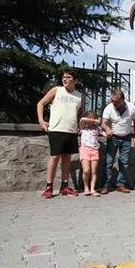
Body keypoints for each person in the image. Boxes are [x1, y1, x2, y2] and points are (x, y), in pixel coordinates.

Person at [37, 71, 83, 199]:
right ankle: (49, 187)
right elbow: (40, 103)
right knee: (54, 157)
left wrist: (79, 125)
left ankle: (64, 186)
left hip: (71, 131)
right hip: (56, 129)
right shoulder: (56, 90)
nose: (65, 79)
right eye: (63, 77)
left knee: (67, 158)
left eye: (68, 77)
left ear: (75, 80)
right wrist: (41, 120)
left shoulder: (79, 96)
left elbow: (79, 113)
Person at [100, 89, 135, 194]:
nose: (114, 103)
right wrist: (107, 129)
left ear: (123, 100)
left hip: (126, 137)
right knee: (109, 162)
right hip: (113, 138)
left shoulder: (132, 108)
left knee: (124, 162)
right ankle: (106, 185)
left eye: (116, 101)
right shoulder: (109, 108)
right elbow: (103, 123)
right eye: (112, 100)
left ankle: (120, 185)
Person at [79, 110, 102, 197]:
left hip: (95, 150)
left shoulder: (97, 128)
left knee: (94, 171)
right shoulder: (83, 127)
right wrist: (91, 120)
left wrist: (108, 132)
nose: (91, 121)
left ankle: (92, 189)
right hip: (85, 149)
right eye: (89, 118)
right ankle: (86, 188)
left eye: (93, 118)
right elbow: (81, 119)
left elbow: (103, 131)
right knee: (86, 170)